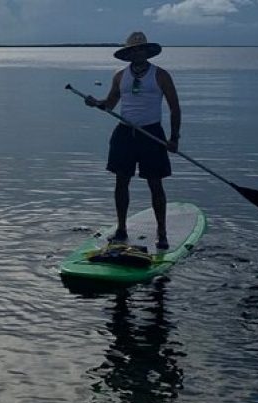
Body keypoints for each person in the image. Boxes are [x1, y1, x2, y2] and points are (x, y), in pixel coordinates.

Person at [85, 32, 181, 249]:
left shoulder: (161, 75)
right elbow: (110, 103)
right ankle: (121, 229)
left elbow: (175, 108)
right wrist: (96, 103)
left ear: (147, 52)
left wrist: (174, 138)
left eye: (141, 49)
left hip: (152, 134)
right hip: (124, 134)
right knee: (121, 181)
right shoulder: (120, 75)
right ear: (128, 54)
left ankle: (162, 232)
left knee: (155, 183)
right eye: (133, 50)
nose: (137, 52)